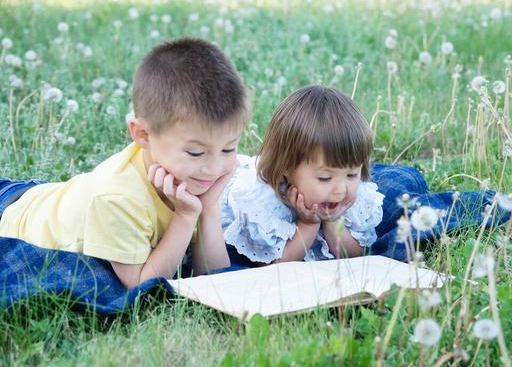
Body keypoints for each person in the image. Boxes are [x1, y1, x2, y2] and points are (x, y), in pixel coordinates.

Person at [0, 37, 249, 288]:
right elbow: (142, 286)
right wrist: (185, 217)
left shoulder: (190, 177)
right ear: (143, 135)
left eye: (229, 148)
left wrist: (207, 210)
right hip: (16, 216)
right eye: (196, 153)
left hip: (52, 196)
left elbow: (216, 277)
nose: (215, 168)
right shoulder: (119, 198)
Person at [221, 85, 384, 264]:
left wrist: (333, 220)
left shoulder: (353, 198)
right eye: (325, 178)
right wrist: (308, 224)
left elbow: (355, 256)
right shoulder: (262, 202)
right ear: (286, 167)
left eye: (352, 174)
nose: (341, 190)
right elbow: (272, 263)